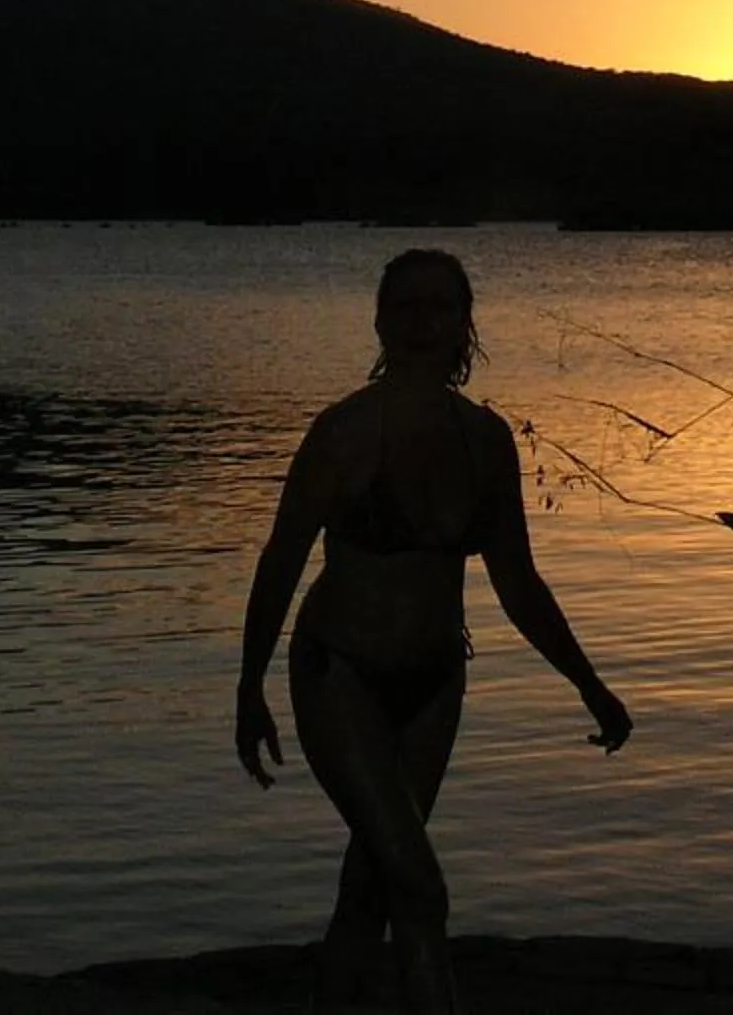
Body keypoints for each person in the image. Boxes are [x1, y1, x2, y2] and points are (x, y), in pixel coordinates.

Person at [236, 249, 632, 1014]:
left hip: (434, 683)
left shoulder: (486, 440)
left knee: (375, 886)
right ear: (380, 322)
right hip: (338, 674)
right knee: (420, 884)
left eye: (440, 308)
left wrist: (590, 685)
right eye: (406, 308)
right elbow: (281, 559)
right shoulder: (342, 433)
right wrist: (249, 686)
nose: (422, 324)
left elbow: (517, 582)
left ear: (464, 326)